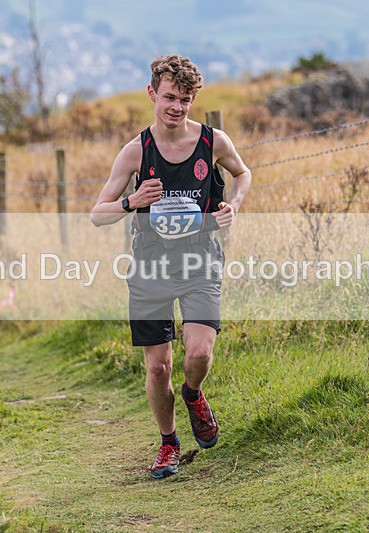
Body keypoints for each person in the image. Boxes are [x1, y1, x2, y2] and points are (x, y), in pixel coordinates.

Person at [91, 54, 252, 478]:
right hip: (150, 267)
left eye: (185, 99)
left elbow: (243, 173)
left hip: (200, 260)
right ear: (152, 94)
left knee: (198, 352)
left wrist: (234, 205)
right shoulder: (135, 151)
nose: (176, 107)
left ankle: (193, 393)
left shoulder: (213, 142)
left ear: (193, 100)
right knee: (157, 366)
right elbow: (97, 214)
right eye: (169, 97)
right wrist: (132, 201)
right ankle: (168, 443)